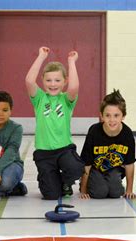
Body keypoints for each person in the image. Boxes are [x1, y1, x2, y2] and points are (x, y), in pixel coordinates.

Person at [25, 47, 84, 200]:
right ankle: (50, 178)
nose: (53, 84)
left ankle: (66, 182)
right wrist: (41, 57)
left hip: (64, 149)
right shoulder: (39, 98)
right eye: (48, 80)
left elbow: (74, 87)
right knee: (51, 195)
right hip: (44, 153)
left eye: (57, 80)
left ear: (64, 81)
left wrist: (71, 62)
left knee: (76, 168)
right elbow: (29, 81)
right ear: (43, 80)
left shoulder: (66, 100)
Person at [79, 89, 136, 199]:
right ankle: (90, 182)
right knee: (99, 193)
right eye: (108, 115)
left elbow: (129, 164)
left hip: (115, 168)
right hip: (95, 168)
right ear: (101, 115)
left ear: (123, 116)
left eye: (116, 115)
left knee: (116, 193)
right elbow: (87, 164)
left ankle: (112, 184)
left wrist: (129, 190)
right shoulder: (94, 132)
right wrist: (83, 190)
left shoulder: (127, 134)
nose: (112, 120)